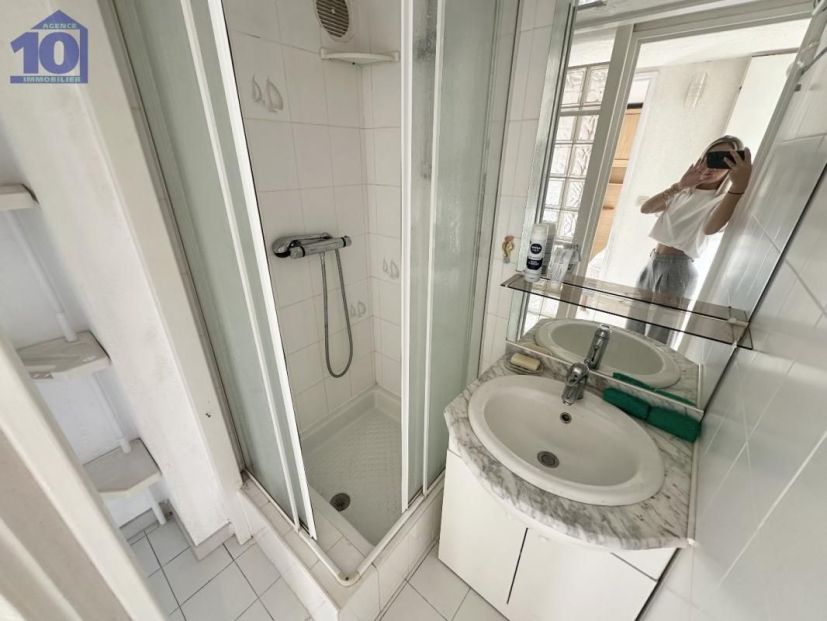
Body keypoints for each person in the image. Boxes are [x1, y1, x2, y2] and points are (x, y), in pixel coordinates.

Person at [626, 136, 752, 344]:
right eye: (711, 157)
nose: (713, 166)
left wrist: (739, 186)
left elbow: (710, 228)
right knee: (632, 331)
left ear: (731, 167)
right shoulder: (683, 192)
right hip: (652, 263)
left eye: (724, 161)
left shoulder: (721, 199)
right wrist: (679, 185)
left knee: (657, 341)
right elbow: (646, 208)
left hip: (677, 270)